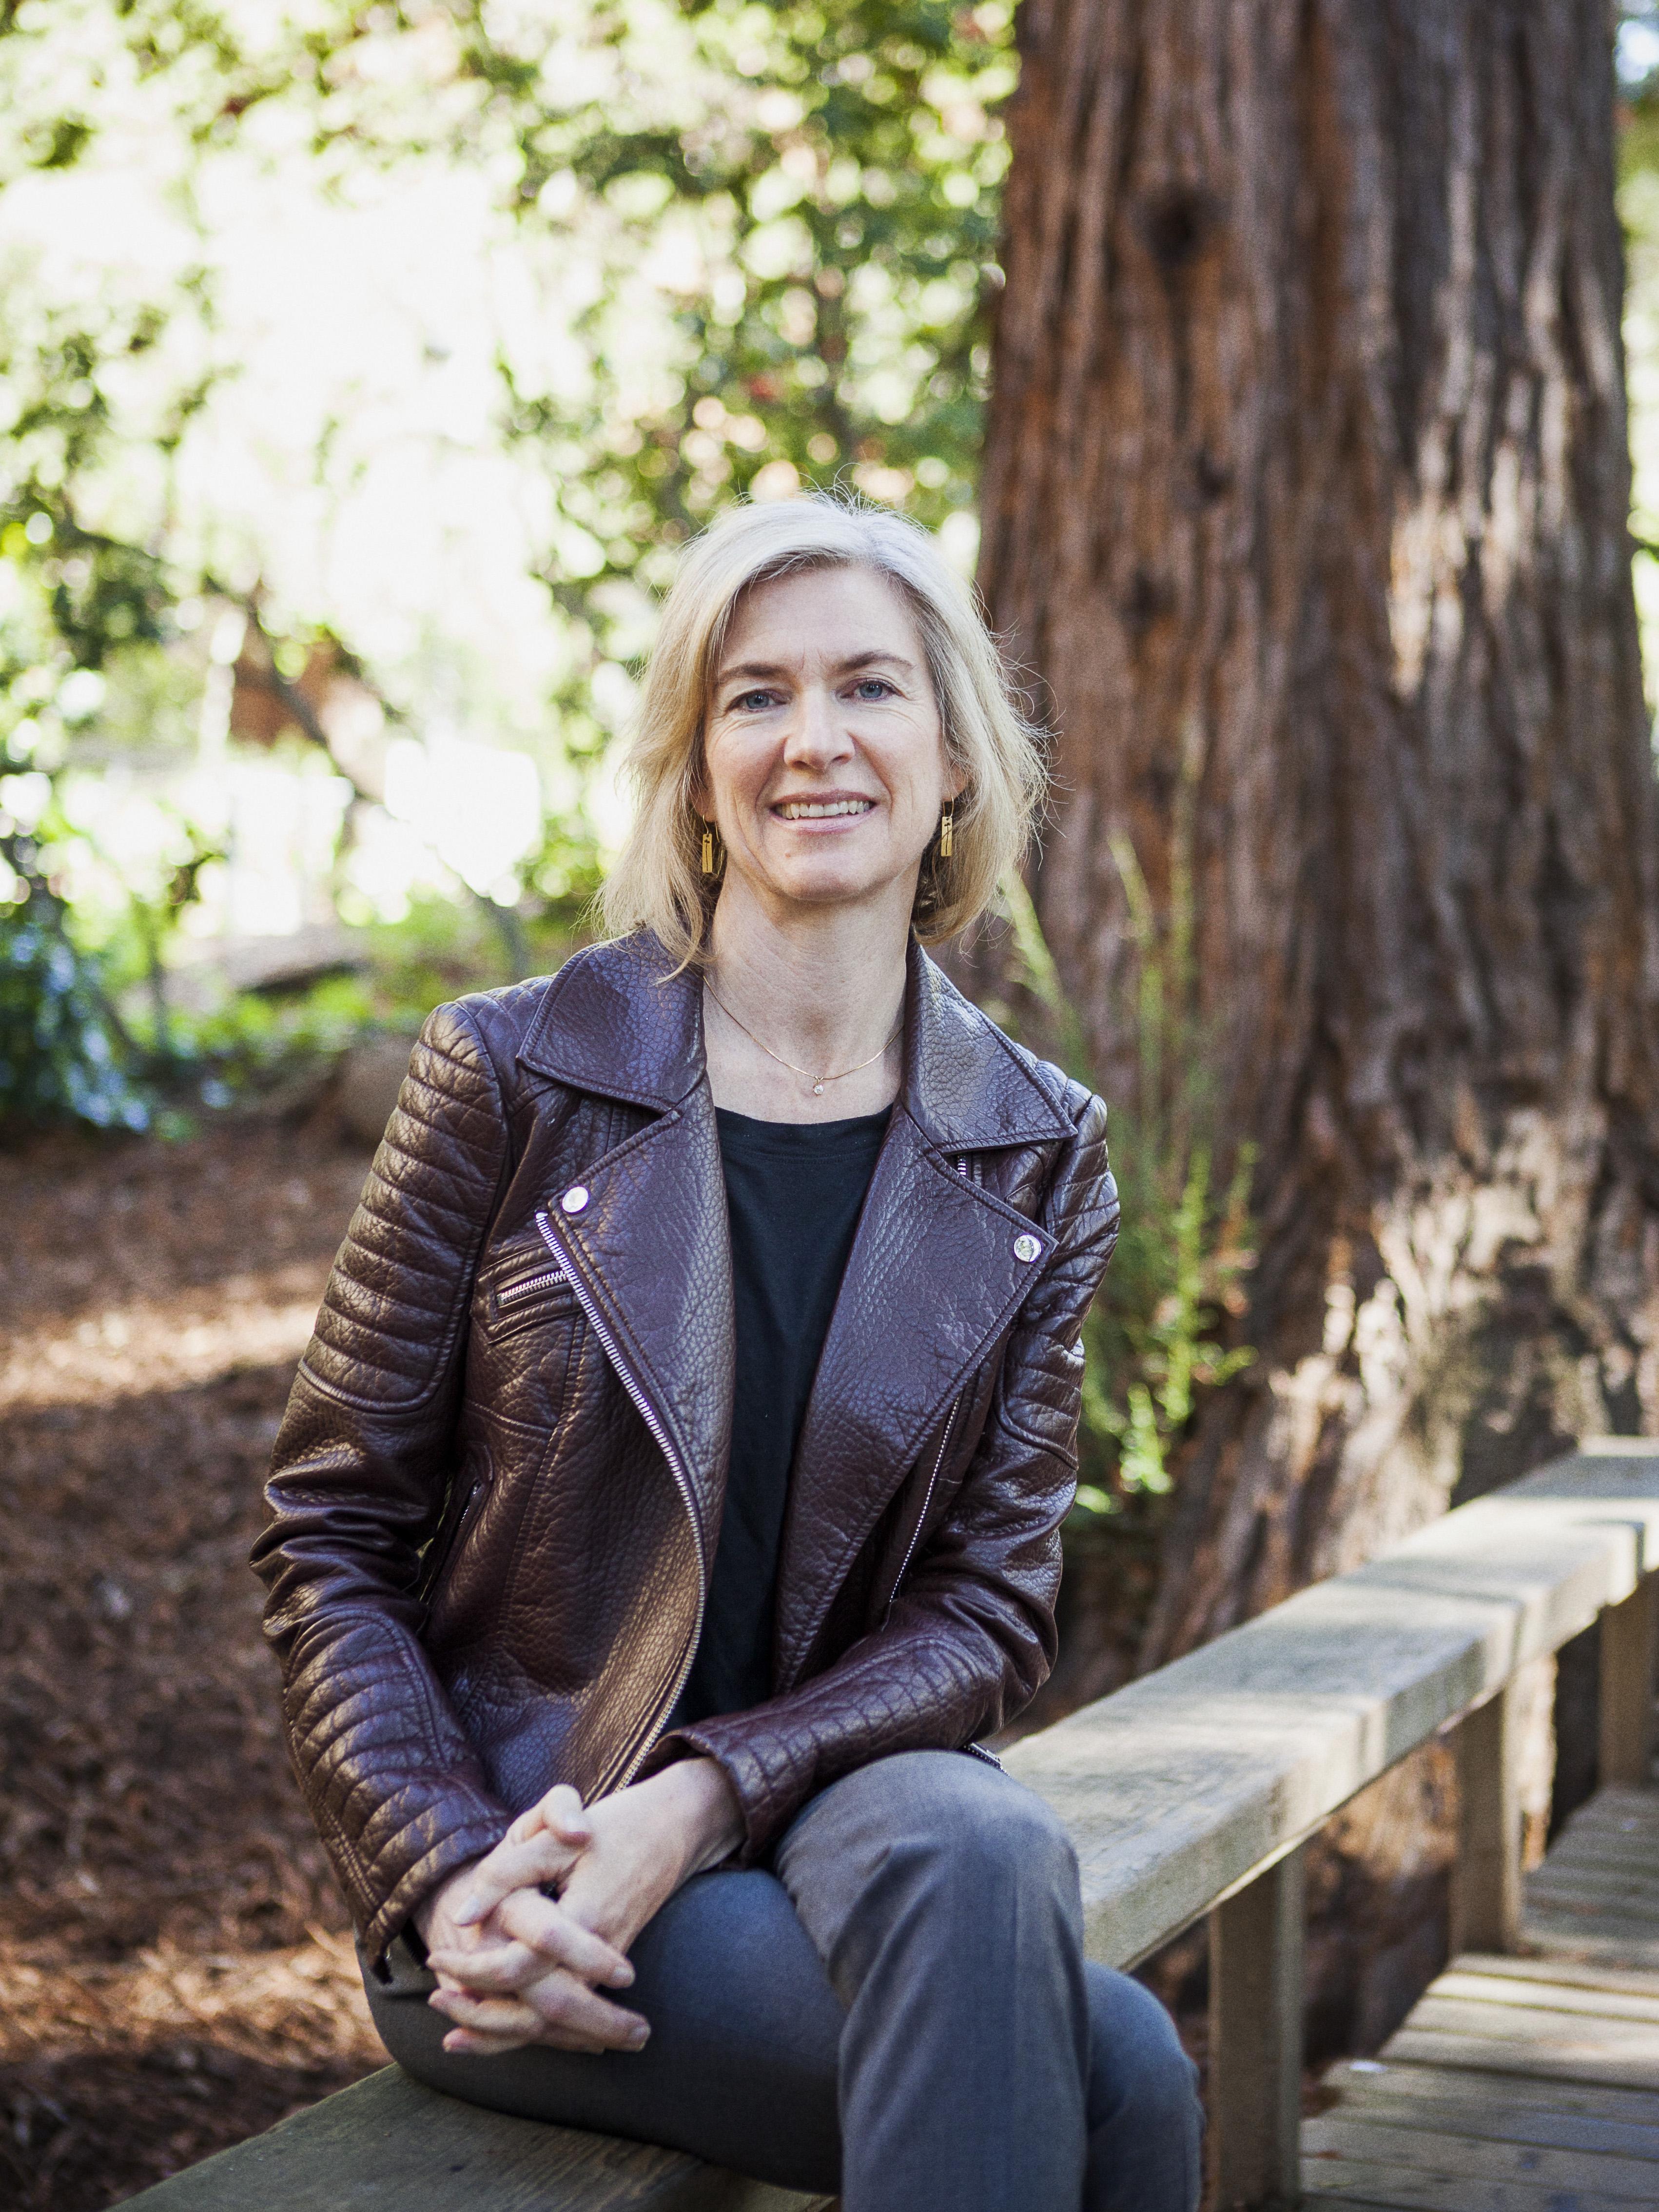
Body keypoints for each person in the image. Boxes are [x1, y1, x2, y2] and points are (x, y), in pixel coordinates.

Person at [254, 493, 1202, 2212]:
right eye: (753, 697)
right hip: (532, 1847)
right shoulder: (512, 1076)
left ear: (955, 758)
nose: (811, 741)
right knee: (1123, 2074)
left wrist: (705, 1797)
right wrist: (446, 1861)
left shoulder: (1033, 1147)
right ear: (693, 769)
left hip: (832, 1806)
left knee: (983, 1831)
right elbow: (329, 1530)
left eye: (868, 688)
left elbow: (989, 1609)